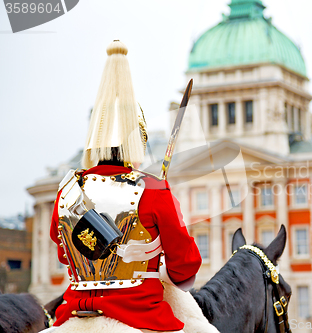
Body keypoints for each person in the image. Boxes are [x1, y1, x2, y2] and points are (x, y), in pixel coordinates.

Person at [49, 40, 202, 332]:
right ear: (138, 140)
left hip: (72, 312)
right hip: (142, 313)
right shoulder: (153, 190)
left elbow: (65, 254)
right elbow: (186, 266)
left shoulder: (66, 192)